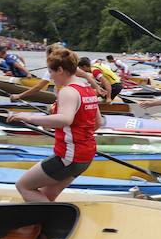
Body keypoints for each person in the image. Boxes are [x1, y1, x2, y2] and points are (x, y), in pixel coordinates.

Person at [8, 48, 103, 201]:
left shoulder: (67, 91)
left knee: (23, 186)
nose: (51, 77)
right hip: (86, 155)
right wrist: (70, 131)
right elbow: (98, 123)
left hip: (69, 155)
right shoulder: (88, 89)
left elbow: (65, 119)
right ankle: (40, 223)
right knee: (45, 196)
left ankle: (58, 219)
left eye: (51, 72)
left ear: (60, 70)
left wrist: (29, 118)